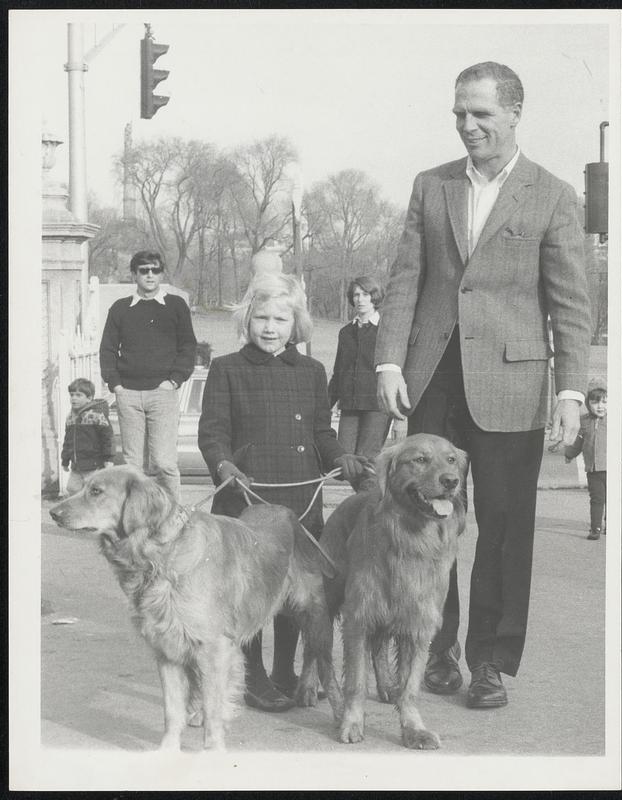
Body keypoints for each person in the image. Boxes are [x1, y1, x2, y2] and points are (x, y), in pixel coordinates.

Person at [375, 61, 592, 709]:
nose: (468, 126)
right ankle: (432, 648)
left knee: (502, 527)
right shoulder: (431, 186)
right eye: (459, 115)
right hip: (433, 381)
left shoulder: (553, 195)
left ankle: (491, 660)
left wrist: (571, 391)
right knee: (425, 523)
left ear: (515, 113)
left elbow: (572, 306)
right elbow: (405, 281)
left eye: (481, 114)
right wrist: (389, 363)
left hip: (514, 387)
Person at [198, 272, 367, 713]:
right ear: (246, 319)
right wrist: (224, 465)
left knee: (297, 590)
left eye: (281, 319)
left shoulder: (311, 372)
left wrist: (339, 458)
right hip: (246, 498)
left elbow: (319, 432)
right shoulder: (226, 369)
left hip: (299, 496)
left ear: (297, 325)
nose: (270, 328)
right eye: (261, 318)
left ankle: (284, 668)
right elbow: (212, 433)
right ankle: (252, 676)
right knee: (251, 590)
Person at [99, 250, 197, 501]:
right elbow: (108, 349)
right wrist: (116, 385)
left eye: (155, 270)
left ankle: (173, 515)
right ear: (134, 274)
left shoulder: (175, 305)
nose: (150, 275)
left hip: (161, 394)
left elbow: (188, 347)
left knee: (164, 463)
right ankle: (136, 515)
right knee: (132, 465)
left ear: (161, 273)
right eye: (144, 270)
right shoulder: (120, 308)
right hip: (128, 394)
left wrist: (173, 380)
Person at [328, 276, 392, 491]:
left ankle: (372, 504)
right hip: (349, 405)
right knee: (346, 462)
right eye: (356, 295)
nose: (360, 299)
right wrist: (324, 404)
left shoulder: (386, 330)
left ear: (374, 297)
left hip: (377, 406)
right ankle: (367, 500)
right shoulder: (345, 333)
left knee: (367, 460)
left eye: (365, 294)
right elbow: (339, 372)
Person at [565, 377, 607, 540]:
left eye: (604, 402)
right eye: (595, 402)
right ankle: (595, 528)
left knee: (612, 499)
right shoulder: (585, 422)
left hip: (612, 468)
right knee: (597, 499)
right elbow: (579, 441)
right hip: (593, 469)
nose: (600, 406)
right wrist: (569, 454)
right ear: (588, 403)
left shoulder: (615, 420)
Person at [61, 378, 114, 495]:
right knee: (72, 489)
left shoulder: (96, 415)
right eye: (72, 395)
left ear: (89, 398)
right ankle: (77, 513)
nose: (73, 398)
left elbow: (107, 437)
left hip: (93, 465)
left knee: (93, 492)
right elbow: (67, 441)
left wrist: (108, 458)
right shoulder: (70, 417)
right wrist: (65, 460)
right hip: (76, 466)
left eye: (79, 395)